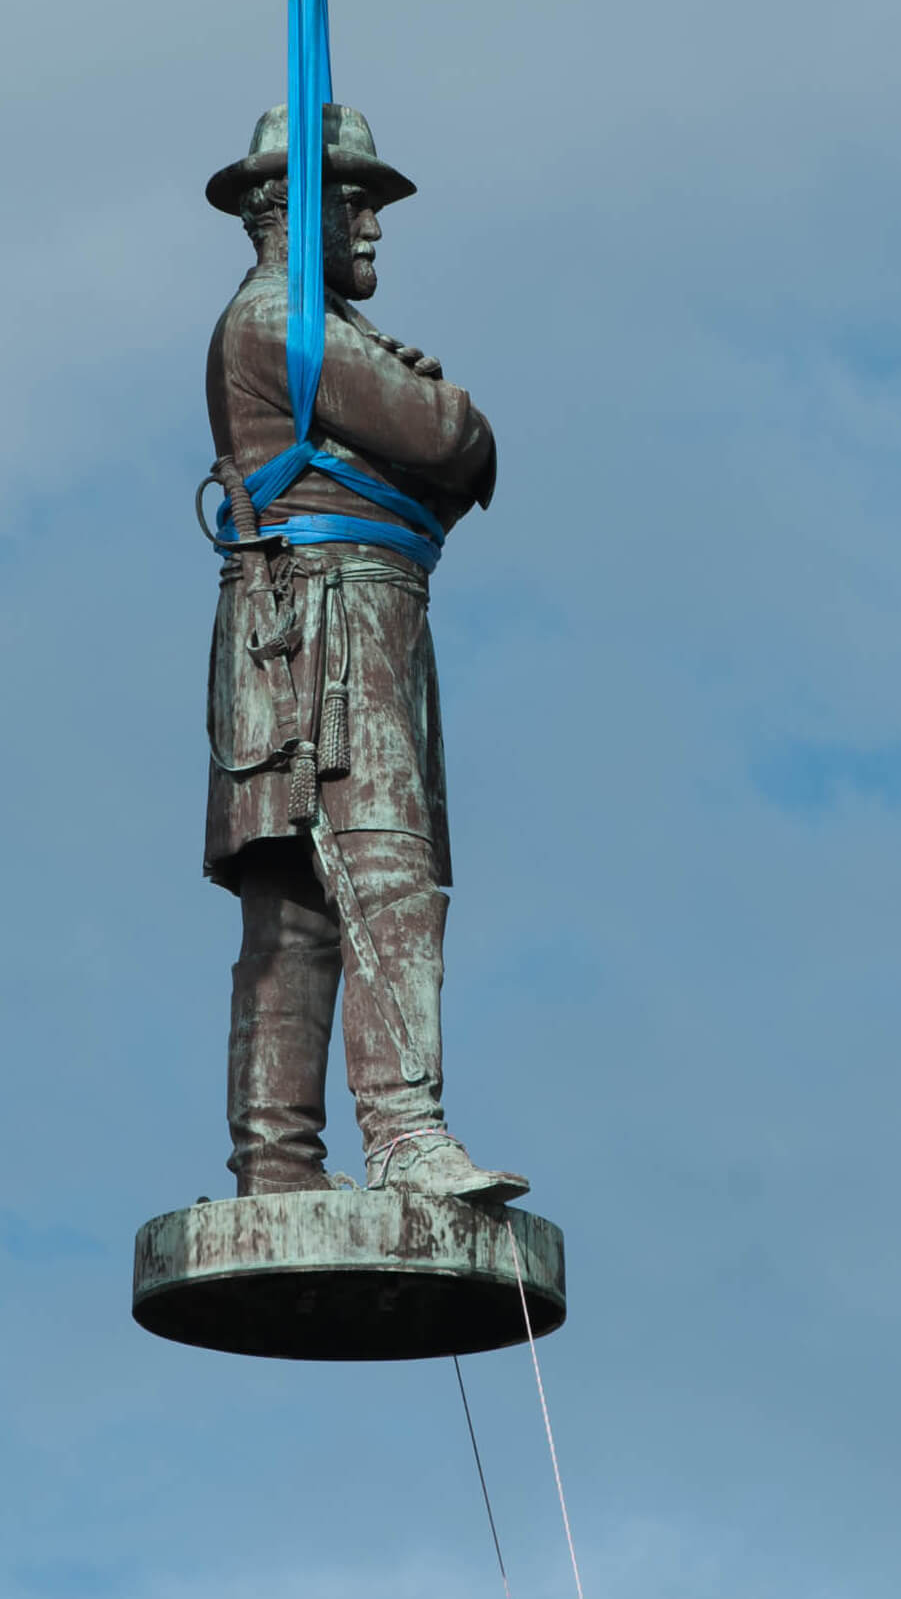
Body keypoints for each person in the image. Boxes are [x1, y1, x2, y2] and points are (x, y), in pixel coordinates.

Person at [201, 103, 526, 1202]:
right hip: (327, 623)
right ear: (291, 211)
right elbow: (447, 440)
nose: (376, 225)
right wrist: (445, 417)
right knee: (382, 873)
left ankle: (277, 1165)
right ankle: (405, 1134)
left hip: (312, 619)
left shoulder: (312, 331)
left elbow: (437, 467)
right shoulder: (281, 322)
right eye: (355, 203)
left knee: (298, 906)